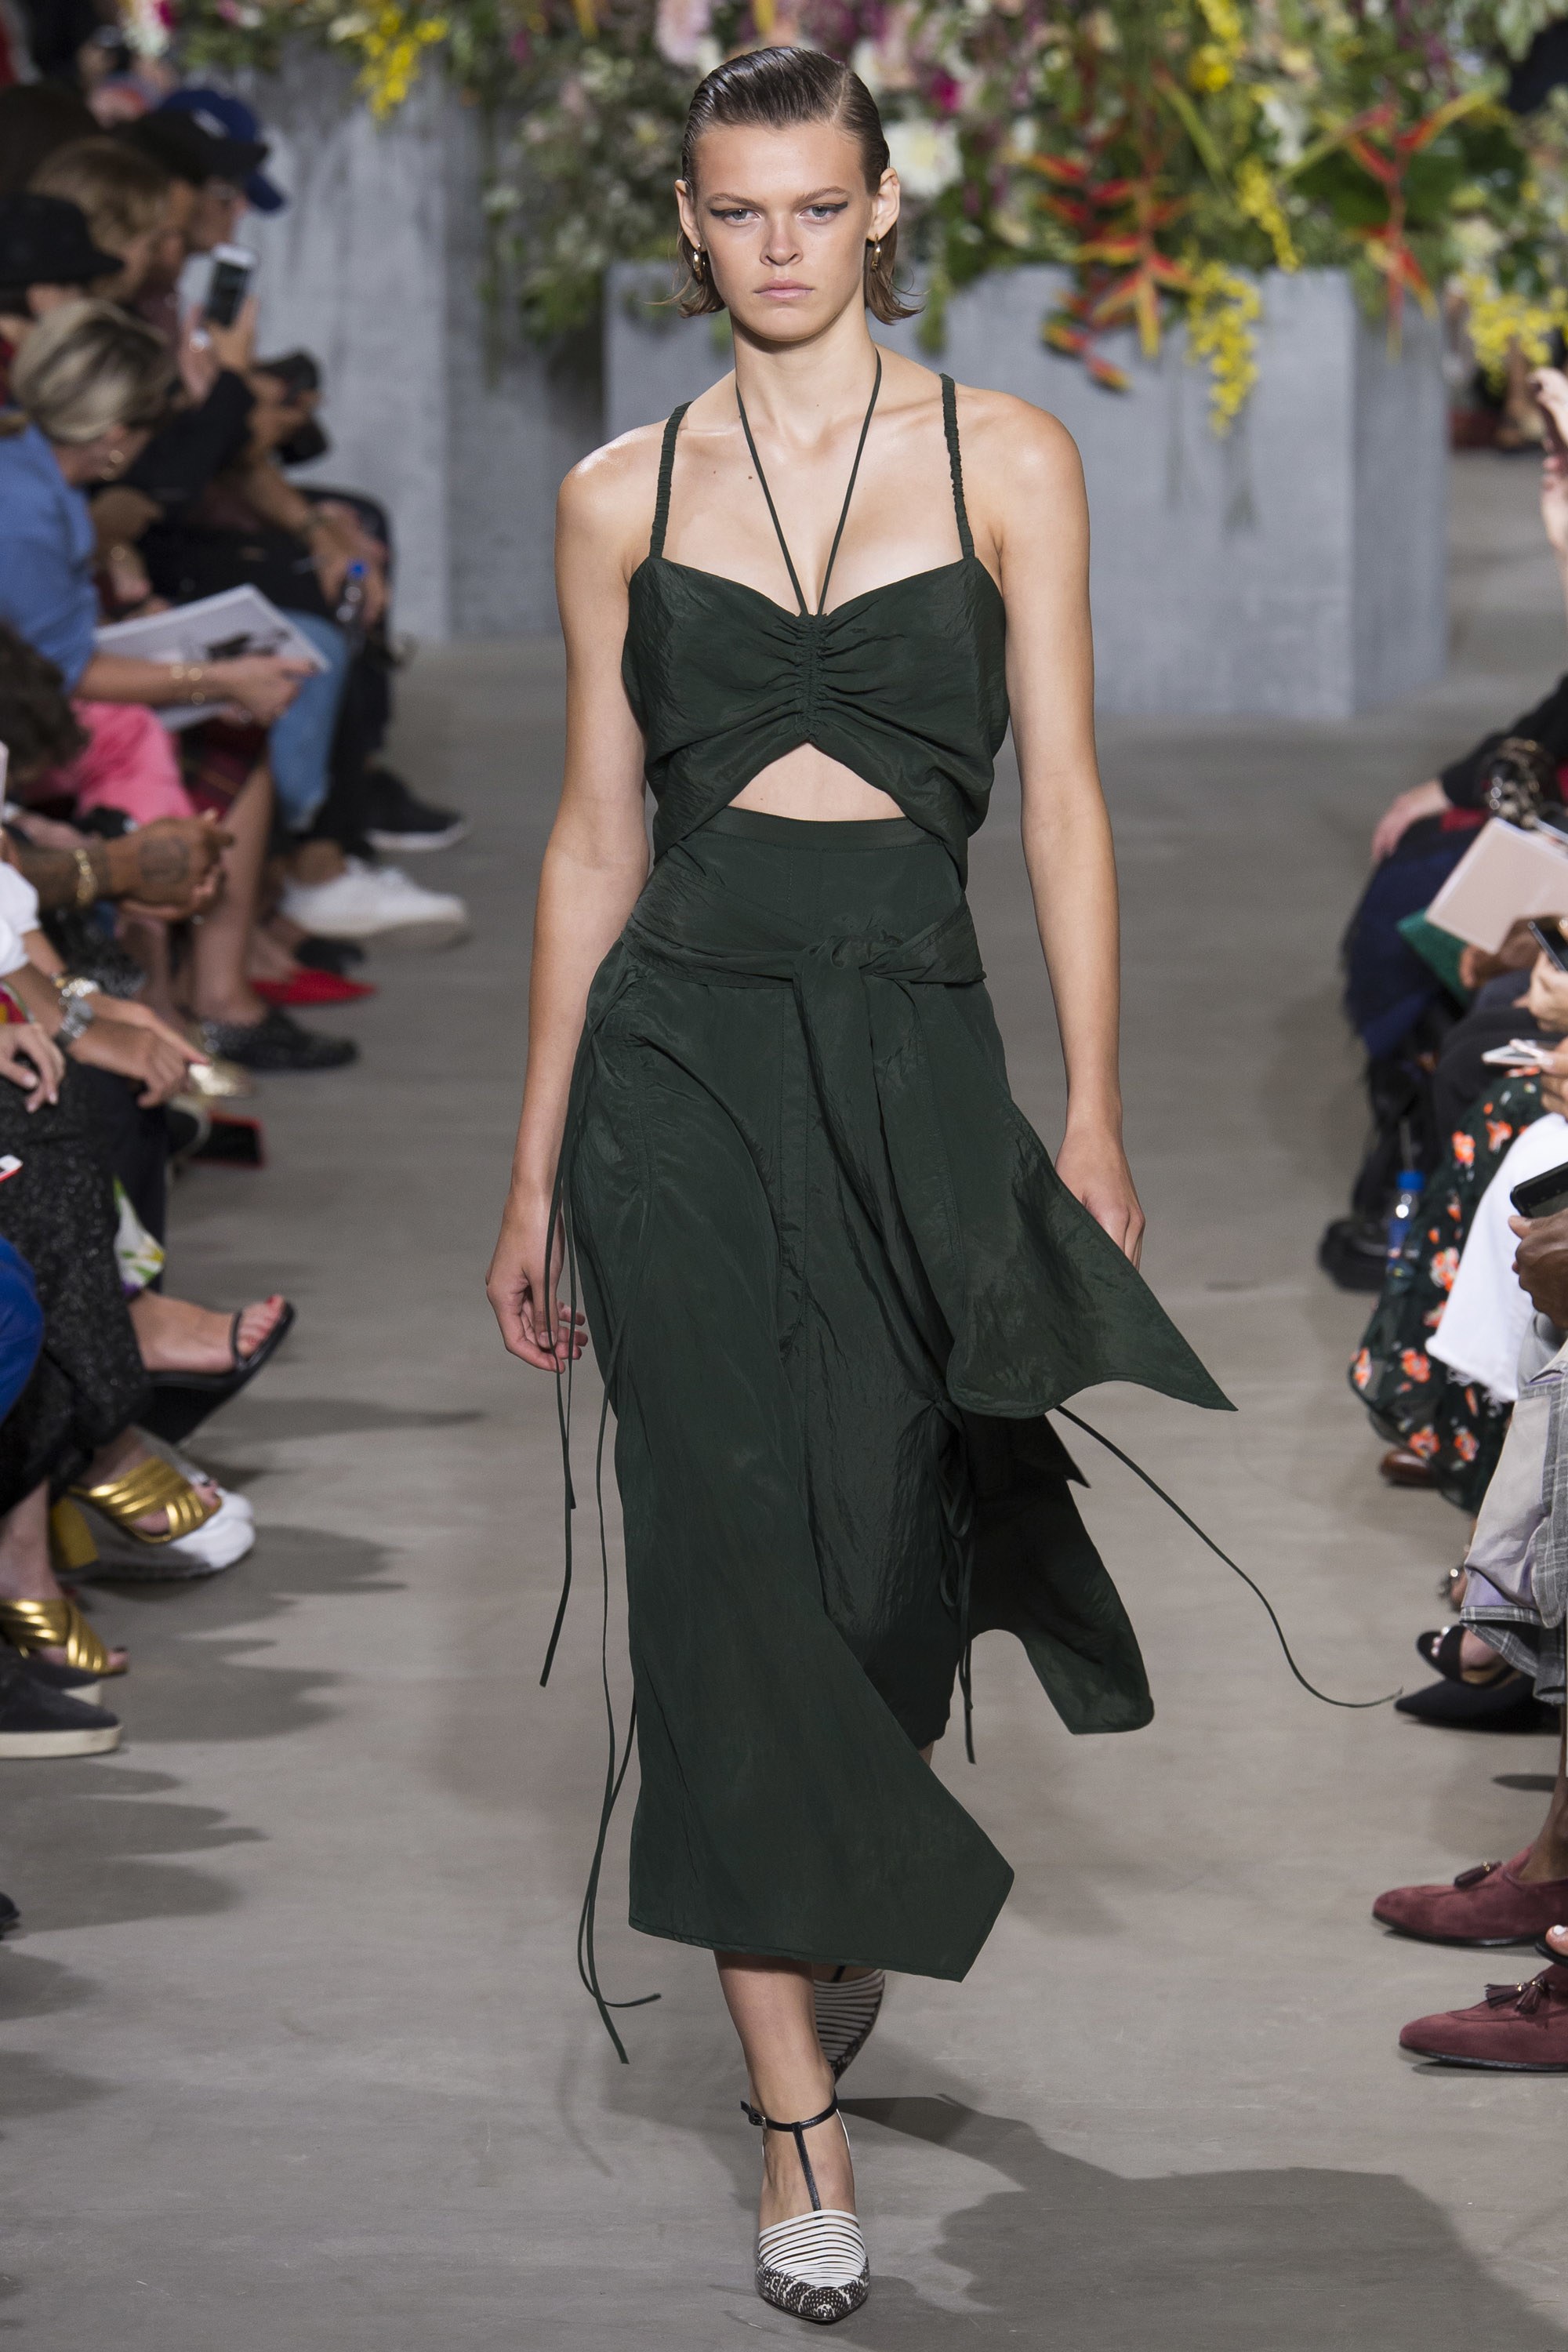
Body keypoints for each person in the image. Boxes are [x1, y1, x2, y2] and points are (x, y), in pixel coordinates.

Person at [485, 47, 1225, 2325]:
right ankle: (791, 2108)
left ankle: (837, 1868)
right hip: (679, 1065)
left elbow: (1066, 799)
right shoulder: (622, 494)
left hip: (913, 1048)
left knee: (890, 1555)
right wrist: (532, 1165)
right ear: (687, 224)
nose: (779, 246)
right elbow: (593, 833)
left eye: (817, 205)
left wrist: (1096, 1109)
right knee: (721, 1560)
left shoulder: (1011, 458)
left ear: (884, 207)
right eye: (739, 209)